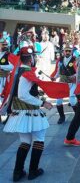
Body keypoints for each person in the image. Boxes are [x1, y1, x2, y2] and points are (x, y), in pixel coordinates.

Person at [3, 46, 54, 181]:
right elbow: (23, 95)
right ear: (31, 59)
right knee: (39, 138)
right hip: (29, 110)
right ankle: (33, 170)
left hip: (20, 111)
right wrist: (42, 103)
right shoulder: (26, 73)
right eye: (34, 57)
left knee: (25, 141)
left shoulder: (18, 71)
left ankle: (17, 172)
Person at [51, 43, 77, 124]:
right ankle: (62, 117)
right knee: (58, 101)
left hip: (72, 82)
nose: (67, 52)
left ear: (71, 51)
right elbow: (58, 71)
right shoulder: (60, 60)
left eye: (69, 51)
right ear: (63, 51)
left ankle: (78, 116)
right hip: (62, 82)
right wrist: (54, 77)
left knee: (72, 100)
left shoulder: (75, 60)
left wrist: (74, 76)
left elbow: (79, 71)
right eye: (66, 51)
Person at [0, 38, 14, 105]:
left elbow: (13, 66)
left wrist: (1, 67)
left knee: (2, 96)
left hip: (4, 79)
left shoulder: (9, 55)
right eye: (3, 44)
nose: (5, 46)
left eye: (6, 45)